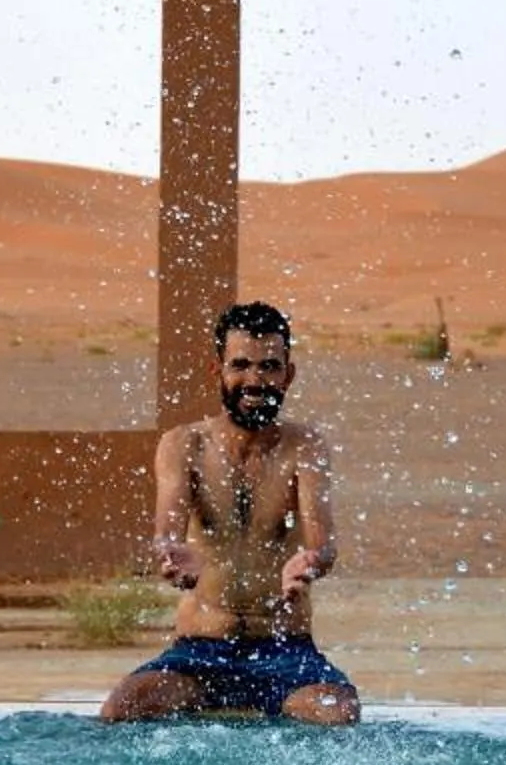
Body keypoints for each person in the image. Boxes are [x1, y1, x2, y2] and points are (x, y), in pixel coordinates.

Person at [100, 301, 360, 724]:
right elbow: (166, 530)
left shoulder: (304, 447)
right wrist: (170, 553)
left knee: (338, 714)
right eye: (240, 365)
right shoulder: (185, 445)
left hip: (284, 648)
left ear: (288, 375)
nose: (255, 381)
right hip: (200, 649)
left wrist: (311, 563)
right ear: (217, 370)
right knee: (123, 708)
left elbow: (323, 544)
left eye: (269, 367)